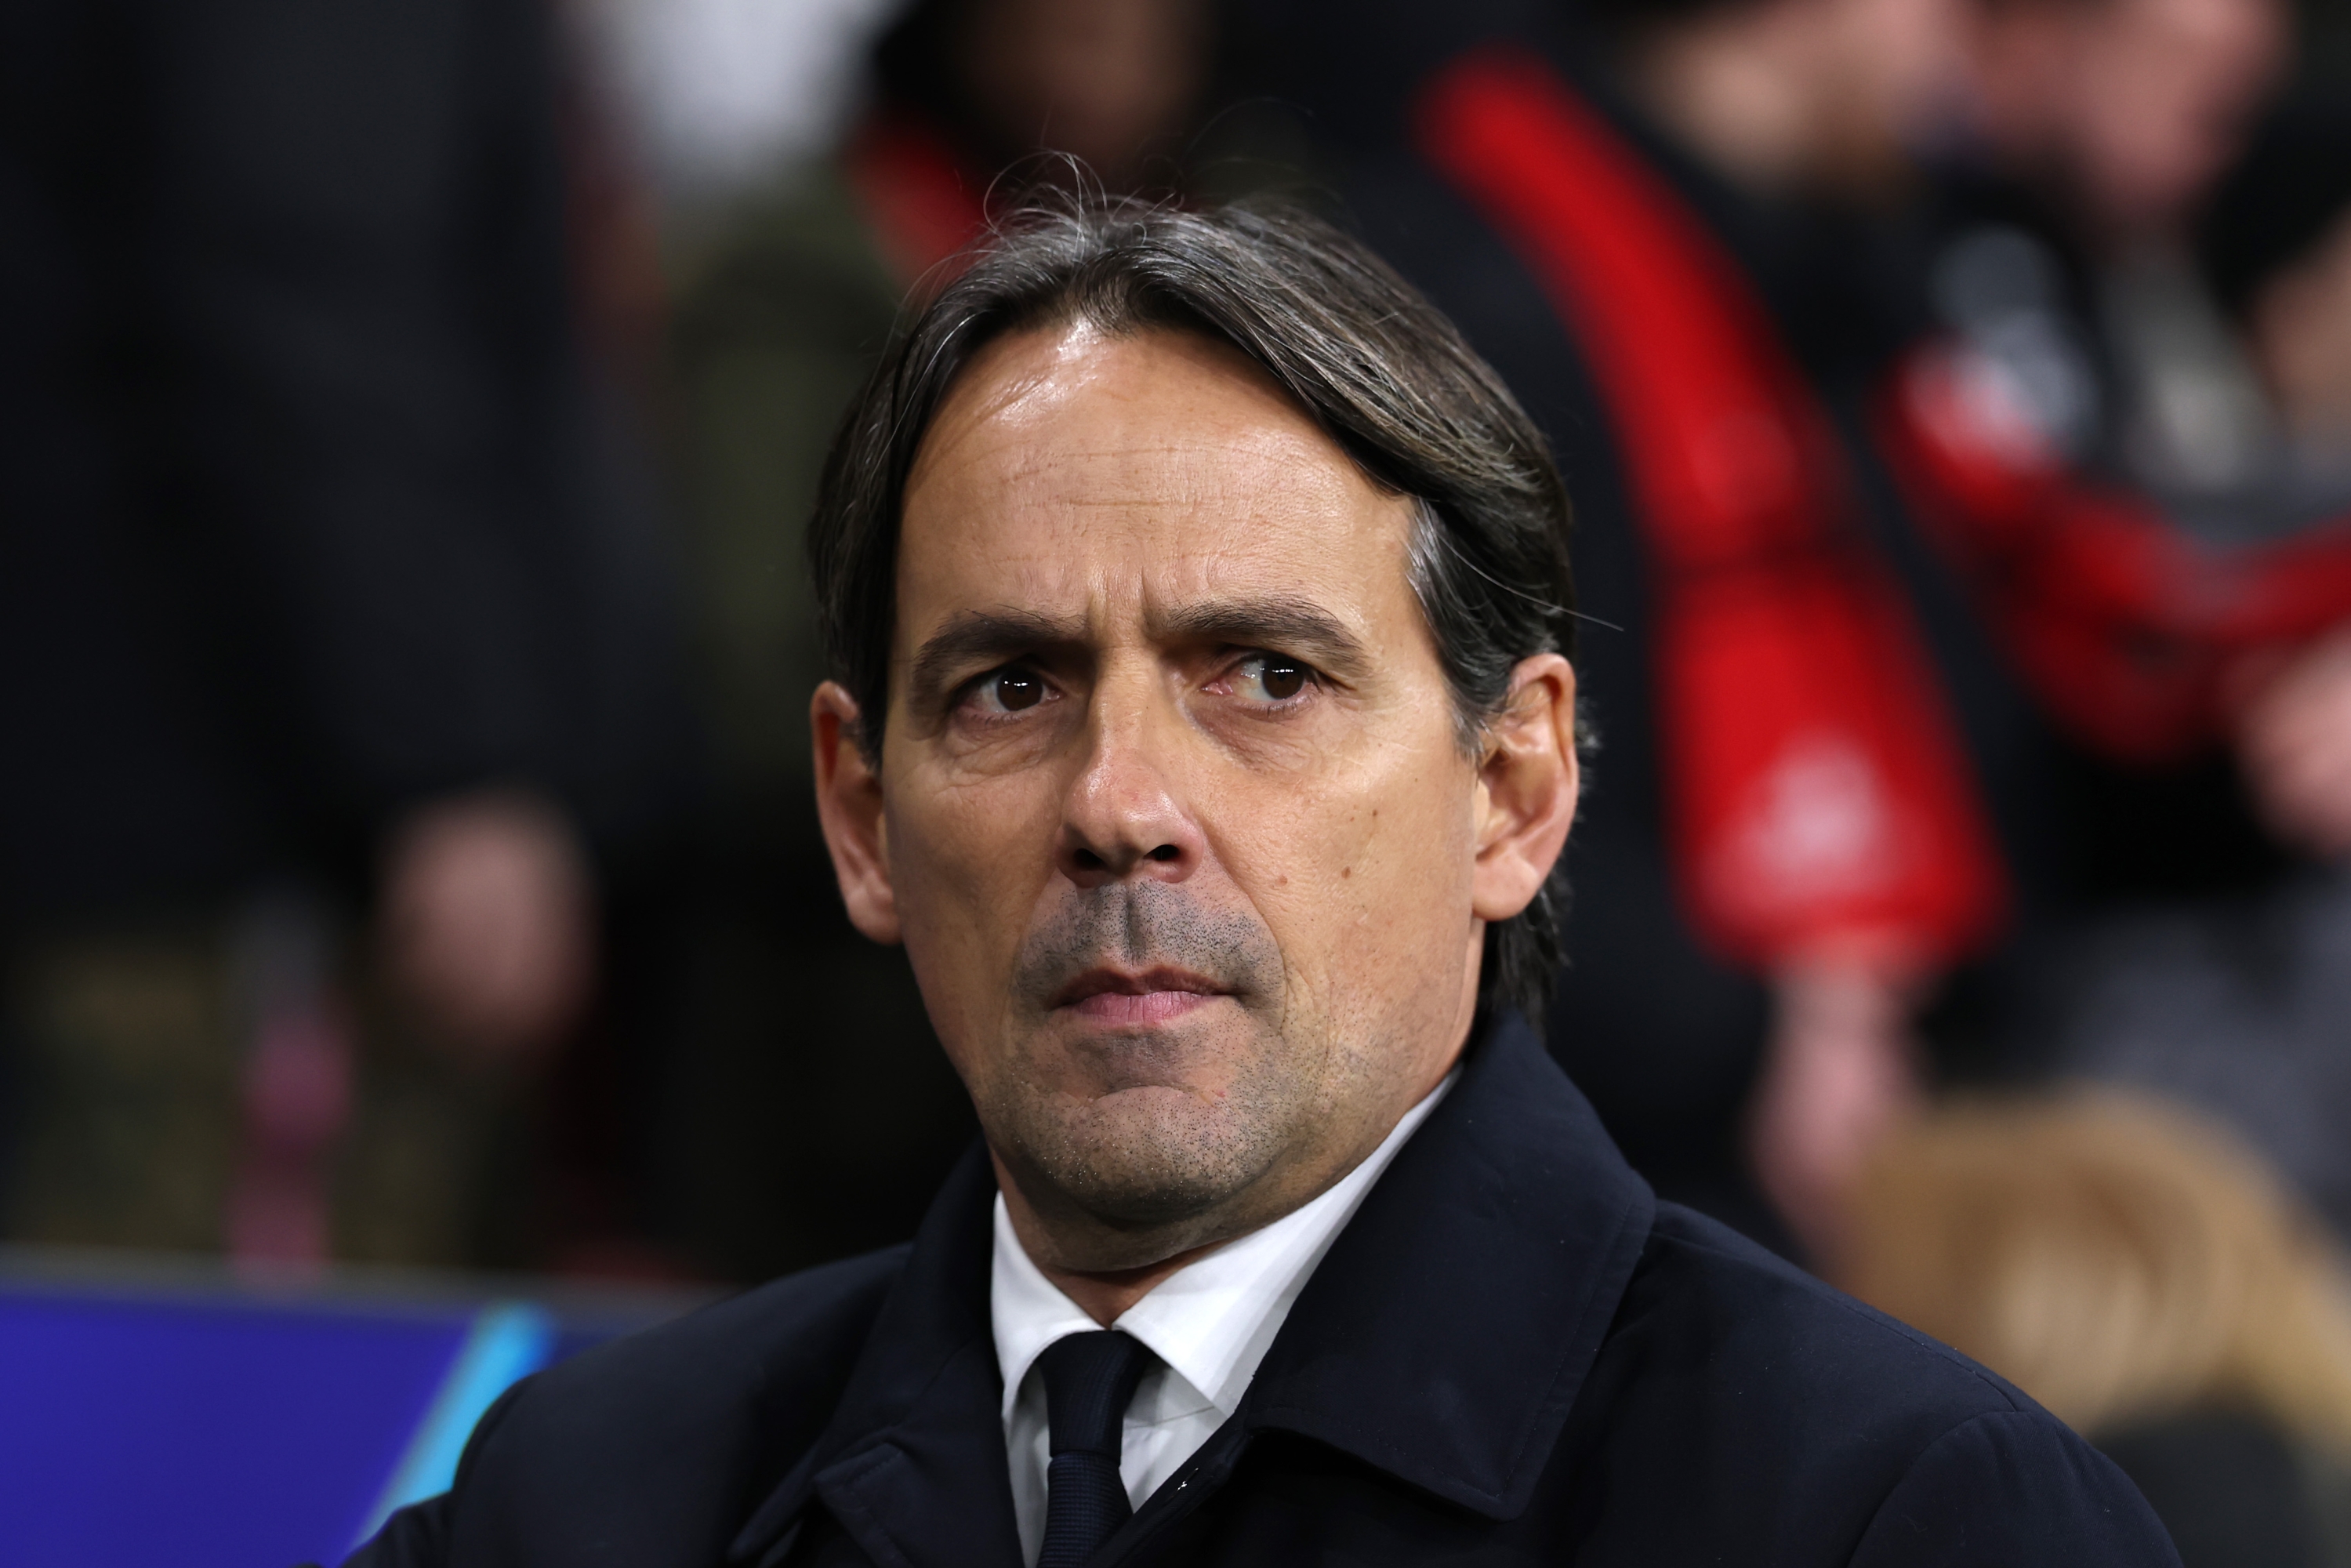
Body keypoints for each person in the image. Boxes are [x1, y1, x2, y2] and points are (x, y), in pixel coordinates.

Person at [343, 199, 2172, 1567]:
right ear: (862, 816)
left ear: (1514, 788)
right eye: (1010, 688)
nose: (1122, 803)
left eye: (1267, 679)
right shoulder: (567, 1511)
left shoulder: (1893, 1519)